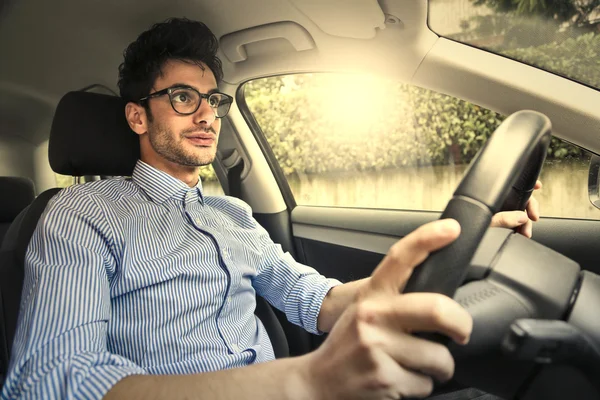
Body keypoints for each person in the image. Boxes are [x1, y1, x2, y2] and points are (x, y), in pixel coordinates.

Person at [0, 18, 541, 400]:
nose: (207, 115)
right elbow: (52, 382)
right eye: (184, 97)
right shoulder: (80, 214)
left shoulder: (233, 216)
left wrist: (453, 249)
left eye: (213, 100)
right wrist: (304, 383)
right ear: (139, 118)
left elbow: (314, 299)